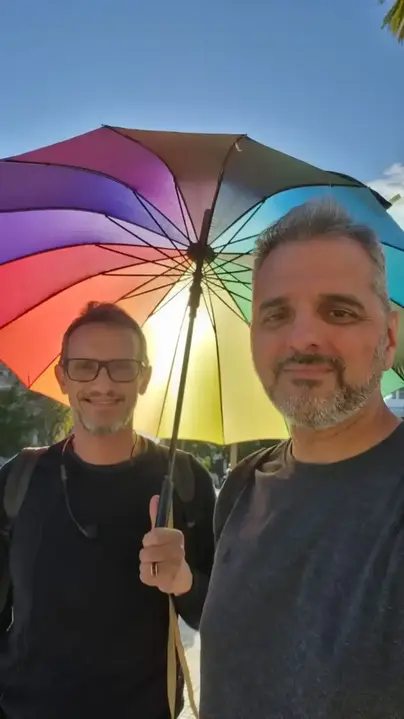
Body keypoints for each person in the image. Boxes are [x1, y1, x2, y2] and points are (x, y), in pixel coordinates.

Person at [199, 199, 404, 718]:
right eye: (277, 314)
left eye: (339, 312)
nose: (303, 338)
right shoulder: (243, 486)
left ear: (389, 337)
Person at [0, 302, 215, 719]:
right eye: (84, 367)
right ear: (62, 377)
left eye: (121, 367)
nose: (103, 383)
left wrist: (184, 580)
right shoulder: (20, 480)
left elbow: (220, 614)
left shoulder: (185, 482)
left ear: (144, 378)